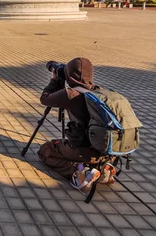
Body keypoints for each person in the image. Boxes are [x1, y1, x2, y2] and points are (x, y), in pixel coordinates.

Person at [37, 57, 115, 189]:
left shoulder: (70, 94)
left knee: (45, 150)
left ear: (69, 74)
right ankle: (103, 168)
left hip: (84, 150)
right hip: (108, 149)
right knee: (85, 152)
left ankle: (80, 172)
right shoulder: (100, 91)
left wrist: (55, 80)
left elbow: (44, 99)